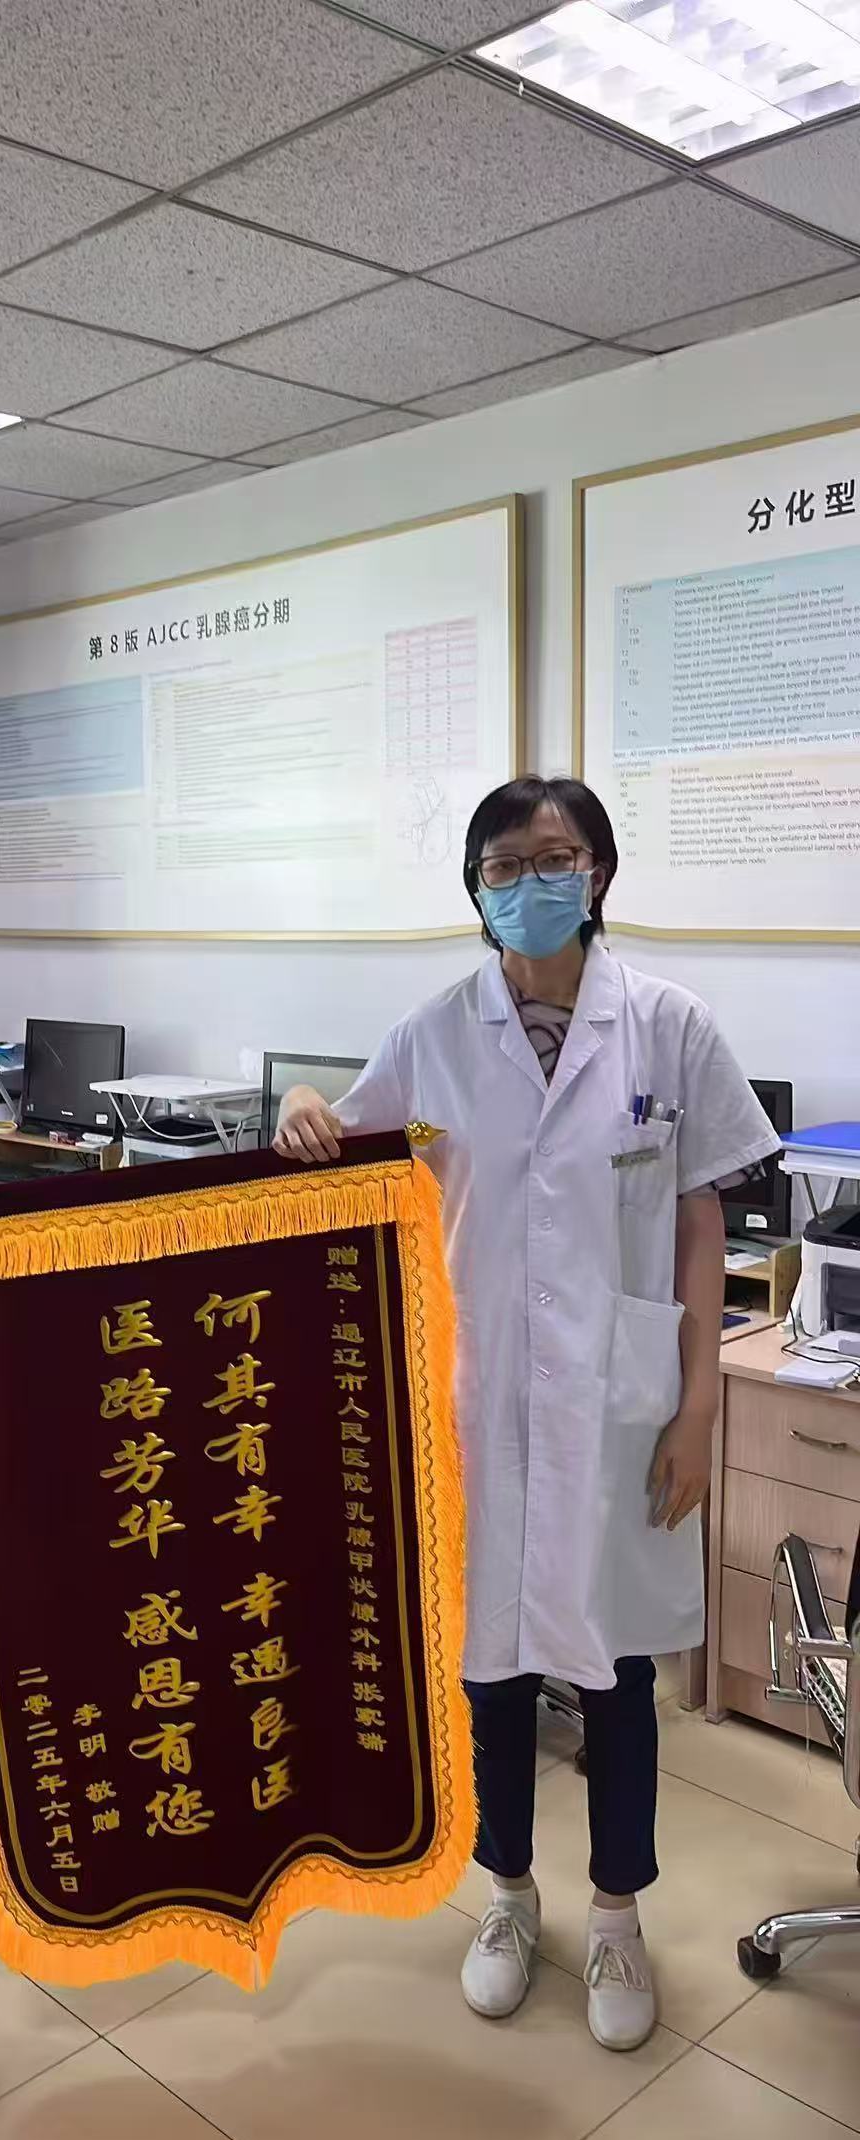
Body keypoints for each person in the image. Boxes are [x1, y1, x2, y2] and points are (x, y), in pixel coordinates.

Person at [276, 776, 776, 2052]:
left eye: (554, 857)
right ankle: (505, 1894)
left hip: (621, 1400)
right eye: (503, 864)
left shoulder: (667, 1027)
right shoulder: (435, 1033)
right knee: (486, 1663)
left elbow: (699, 1221)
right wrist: (297, 1110)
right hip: (474, 1397)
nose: (529, 881)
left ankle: (615, 1915)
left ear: (596, 871)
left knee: (613, 1669)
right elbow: (340, 1150)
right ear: (476, 886)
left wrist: (697, 1405)